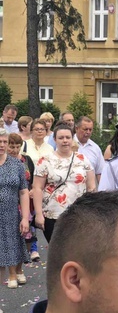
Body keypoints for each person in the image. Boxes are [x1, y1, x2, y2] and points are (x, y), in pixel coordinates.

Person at [32, 124, 97, 243]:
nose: (65, 141)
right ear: (55, 139)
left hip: (78, 214)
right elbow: (37, 188)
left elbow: (91, 187)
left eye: (68, 137)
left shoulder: (82, 159)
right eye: (61, 138)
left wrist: (90, 211)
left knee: (75, 251)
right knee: (57, 252)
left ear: (72, 139)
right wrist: (38, 214)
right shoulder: (45, 160)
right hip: (52, 214)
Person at [0, 130, 30, 296]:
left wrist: (25, 218)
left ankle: (14, 274)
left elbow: (24, 192)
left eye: (4, 141)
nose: (2, 145)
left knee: (8, 256)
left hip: (11, 216)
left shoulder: (17, 164)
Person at [7, 133, 35, 281]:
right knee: (11, 237)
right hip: (10, 203)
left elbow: (34, 178)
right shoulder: (4, 161)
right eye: (12, 146)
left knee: (25, 237)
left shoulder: (26, 160)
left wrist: (32, 190)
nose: (15, 150)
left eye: (17, 147)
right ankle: (12, 272)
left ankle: (19, 269)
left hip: (25, 203)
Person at [73, 116, 105, 185]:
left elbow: (100, 172)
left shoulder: (95, 148)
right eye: (85, 129)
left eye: (90, 130)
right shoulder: (67, 144)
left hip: (90, 190)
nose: (88, 132)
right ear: (76, 129)